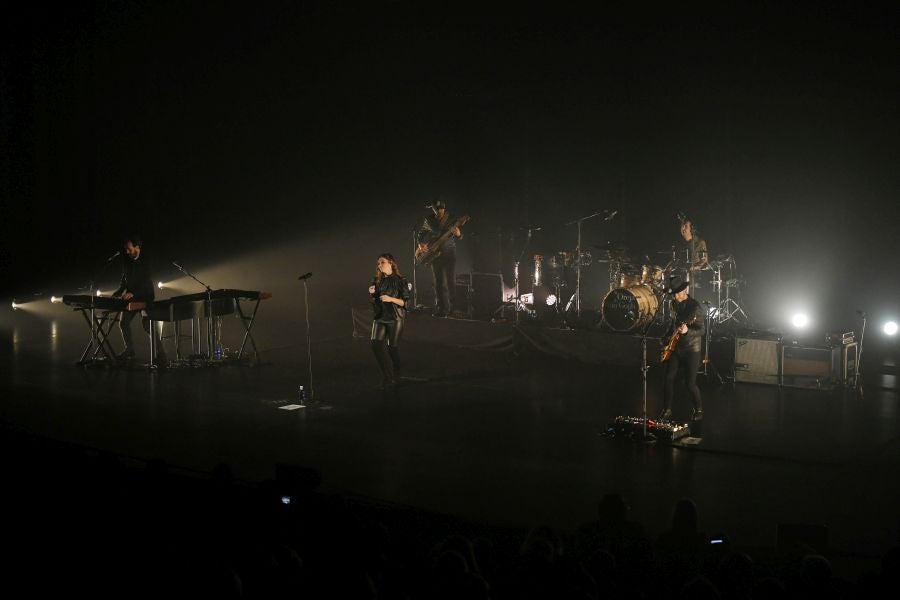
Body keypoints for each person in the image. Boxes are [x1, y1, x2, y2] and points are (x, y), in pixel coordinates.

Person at [112, 235, 165, 364]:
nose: (127, 252)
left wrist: (132, 293)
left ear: (137, 246)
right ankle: (129, 350)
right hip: (133, 298)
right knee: (123, 323)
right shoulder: (127, 261)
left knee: (147, 325)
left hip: (145, 296)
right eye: (126, 249)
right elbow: (124, 279)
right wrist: (119, 292)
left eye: (129, 249)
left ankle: (161, 353)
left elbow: (145, 282)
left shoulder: (146, 261)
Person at [659, 277, 704, 421]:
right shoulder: (673, 303)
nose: (675, 296)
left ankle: (699, 409)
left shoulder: (695, 307)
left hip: (692, 349)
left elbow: (701, 330)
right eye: (674, 293)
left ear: (685, 290)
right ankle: (667, 410)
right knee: (668, 378)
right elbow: (672, 323)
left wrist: (687, 331)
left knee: (690, 383)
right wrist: (665, 337)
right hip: (676, 347)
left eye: (678, 293)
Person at [369, 253, 410, 388]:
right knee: (375, 345)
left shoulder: (400, 280)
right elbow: (375, 301)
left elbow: (406, 303)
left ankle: (397, 370)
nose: (379, 265)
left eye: (382, 262)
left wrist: (391, 299)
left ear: (390, 263)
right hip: (381, 317)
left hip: (395, 318)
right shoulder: (377, 280)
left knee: (392, 348)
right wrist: (372, 293)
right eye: (378, 263)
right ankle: (388, 376)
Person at [417, 199, 463, 317]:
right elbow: (421, 233)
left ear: (444, 208)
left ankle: (454, 309)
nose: (439, 212)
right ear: (432, 209)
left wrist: (458, 234)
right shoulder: (429, 219)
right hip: (434, 253)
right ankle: (441, 308)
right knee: (438, 282)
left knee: (450, 281)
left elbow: (459, 235)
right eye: (436, 210)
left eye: (441, 209)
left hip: (449, 253)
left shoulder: (452, 218)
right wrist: (421, 245)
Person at [678, 218, 709, 299]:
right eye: (682, 226)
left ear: (692, 229)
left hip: (696, 280)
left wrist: (693, 268)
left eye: (685, 226)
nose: (683, 229)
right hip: (682, 279)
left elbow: (704, 261)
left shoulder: (700, 242)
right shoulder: (680, 244)